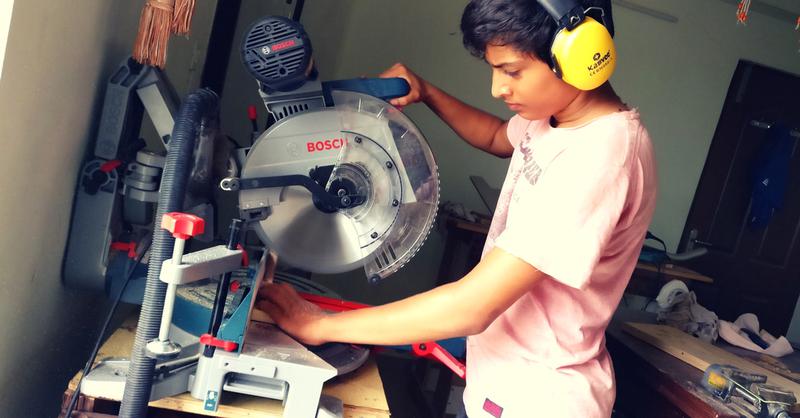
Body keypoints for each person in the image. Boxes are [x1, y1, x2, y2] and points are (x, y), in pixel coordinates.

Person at [257, 0, 657, 416]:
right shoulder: (555, 117)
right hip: (506, 382)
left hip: (541, 399)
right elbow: (497, 137)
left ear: (578, 56)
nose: (497, 89)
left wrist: (320, 325)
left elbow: (473, 306)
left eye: (512, 71)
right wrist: (427, 92)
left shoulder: (599, 156)